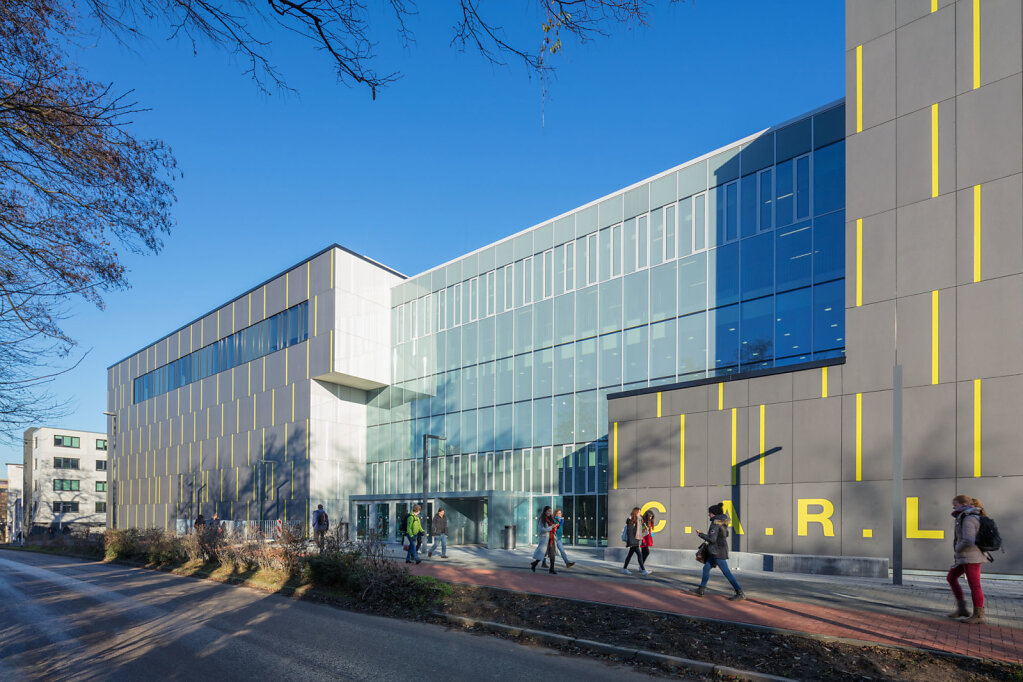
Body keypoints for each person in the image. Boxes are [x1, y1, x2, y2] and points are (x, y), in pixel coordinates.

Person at [946, 495, 988, 624]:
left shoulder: (969, 518)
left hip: (971, 557)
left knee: (975, 585)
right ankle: (962, 609)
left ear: (964, 504)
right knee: (951, 577)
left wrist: (958, 548)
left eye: (955, 504)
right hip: (965, 557)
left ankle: (979, 615)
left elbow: (969, 540)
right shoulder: (965, 516)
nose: (953, 506)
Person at [691, 503, 745, 600]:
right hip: (717, 551)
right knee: (706, 568)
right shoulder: (723, 523)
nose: (709, 515)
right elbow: (726, 534)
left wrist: (701, 534)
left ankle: (739, 592)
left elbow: (712, 540)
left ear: (714, 514)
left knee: (726, 572)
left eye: (710, 513)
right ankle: (701, 589)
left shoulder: (715, 524)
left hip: (717, 552)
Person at [530, 506, 559, 574]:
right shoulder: (542, 520)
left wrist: (554, 526)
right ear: (545, 511)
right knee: (542, 554)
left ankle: (551, 569)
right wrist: (551, 527)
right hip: (545, 539)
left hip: (551, 539)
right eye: (548, 511)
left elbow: (552, 528)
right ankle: (534, 564)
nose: (549, 512)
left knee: (552, 554)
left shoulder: (551, 519)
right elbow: (542, 529)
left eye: (550, 511)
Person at [622, 507, 650, 575]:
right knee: (639, 555)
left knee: (630, 555)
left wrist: (646, 529)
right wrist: (631, 542)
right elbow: (630, 532)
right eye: (639, 512)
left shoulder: (639, 520)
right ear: (636, 512)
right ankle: (643, 570)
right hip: (633, 541)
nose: (640, 513)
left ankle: (624, 568)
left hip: (636, 540)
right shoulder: (630, 520)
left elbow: (642, 532)